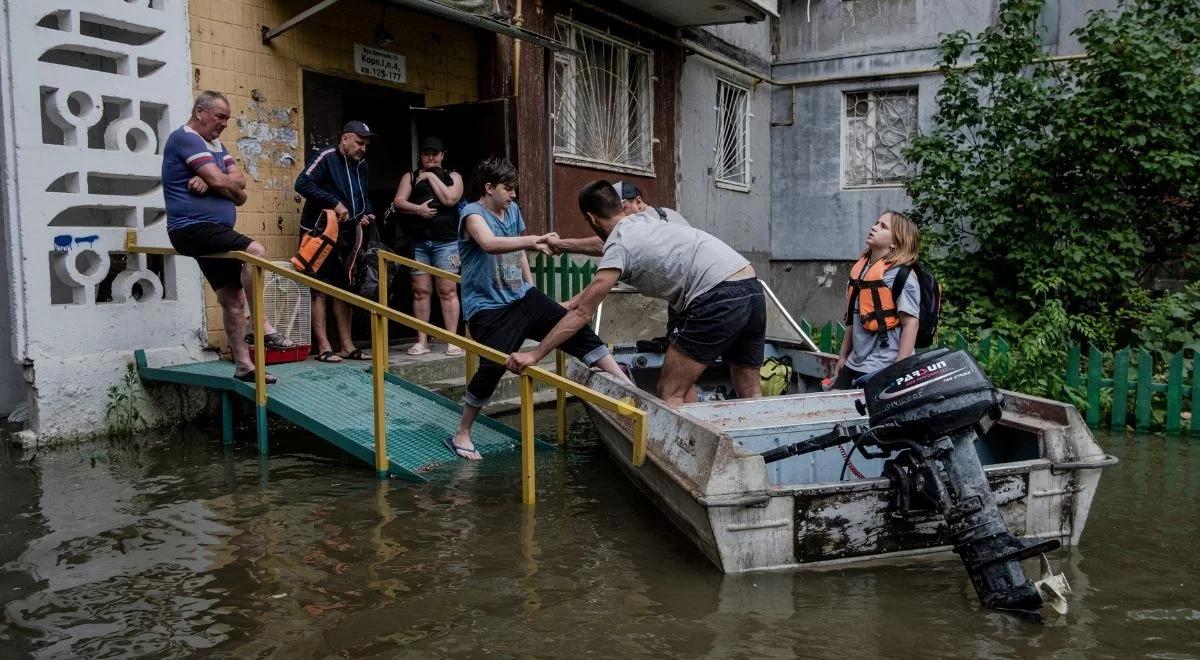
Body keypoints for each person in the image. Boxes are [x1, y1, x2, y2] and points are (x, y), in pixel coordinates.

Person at [506, 180, 765, 406]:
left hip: (716, 295)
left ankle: (686, 458)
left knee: (670, 391)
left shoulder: (620, 245)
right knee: (749, 386)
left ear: (591, 219)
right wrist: (562, 245)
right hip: (751, 285)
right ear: (620, 206)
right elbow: (603, 244)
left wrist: (534, 354)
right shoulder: (645, 219)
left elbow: (583, 312)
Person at [445, 159, 631, 460]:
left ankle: (626, 384)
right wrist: (536, 240)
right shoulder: (472, 214)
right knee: (493, 365)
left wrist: (530, 287)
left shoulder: (512, 211)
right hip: (487, 308)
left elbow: (517, 253)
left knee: (574, 327)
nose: (514, 195)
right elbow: (490, 244)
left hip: (522, 296)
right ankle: (462, 432)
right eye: (508, 189)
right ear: (489, 187)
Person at [164, 90, 293, 384]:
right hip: (192, 228)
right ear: (200, 112)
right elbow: (226, 182)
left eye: (227, 119)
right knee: (256, 252)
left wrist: (215, 181)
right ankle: (260, 324)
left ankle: (244, 366)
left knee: (231, 298)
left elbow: (240, 184)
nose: (224, 124)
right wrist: (219, 181)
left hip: (213, 231)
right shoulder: (186, 138)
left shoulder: (215, 145)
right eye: (220, 117)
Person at [294, 121, 377, 363]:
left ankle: (347, 345)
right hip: (320, 231)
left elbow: (363, 195)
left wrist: (367, 212)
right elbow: (302, 183)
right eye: (359, 143)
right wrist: (333, 202)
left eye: (366, 145)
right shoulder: (326, 157)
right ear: (345, 139)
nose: (363, 148)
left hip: (349, 234)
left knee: (345, 288)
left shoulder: (362, 166)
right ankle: (323, 346)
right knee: (319, 289)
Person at [830, 210, 922, 390]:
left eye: (883, 226)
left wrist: (899, 370)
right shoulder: (861, 271)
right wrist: (842, 357)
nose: (874, 227)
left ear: (896, 242)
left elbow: (911, 324)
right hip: (855, 361)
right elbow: (853, 320)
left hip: (885, 364)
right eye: (876, 223)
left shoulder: (901, 275)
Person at [390, 137, 465, 356]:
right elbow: (399, 202)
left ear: (442, 155)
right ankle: (421, 341)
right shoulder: (411, 176)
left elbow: (450, 199)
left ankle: (452, 340)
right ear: (420, 156)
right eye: (426, 154)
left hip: (447, 243)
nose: (430, 157)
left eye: (435, 153)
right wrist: (417, 210)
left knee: (448, 290)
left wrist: (431, 176)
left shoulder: (454, 176)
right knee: (420, 292)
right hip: (420, 243)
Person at [542, 180, 688, 257]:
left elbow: (606, 244)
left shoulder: (650, 219)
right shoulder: (665, 213)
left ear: (638, 202)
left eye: (621, 208)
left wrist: (560, 244)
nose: (617, 215)